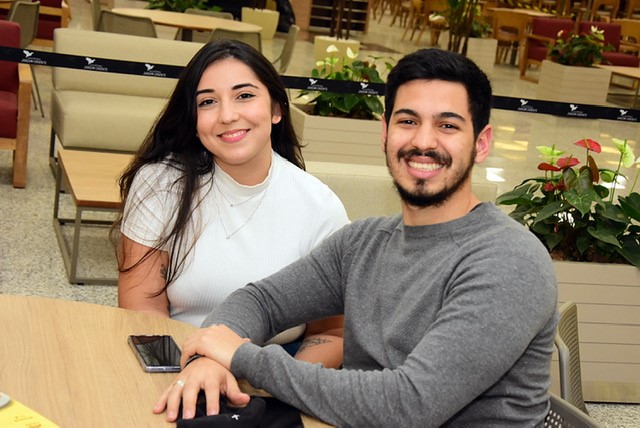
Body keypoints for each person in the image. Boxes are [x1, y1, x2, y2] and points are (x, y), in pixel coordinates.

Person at [154, 48, 558, 425]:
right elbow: (261, 301)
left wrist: (242, 357)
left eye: (447, 126)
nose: (423, 141)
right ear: (385, 133)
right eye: (408, 121)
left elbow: (410, 405)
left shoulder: (509, 260)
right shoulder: (364, 242)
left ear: (481, 144)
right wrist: (208, 360)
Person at [113, 40, 349, 369]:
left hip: (277, 371)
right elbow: (142, 306)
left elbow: (332, 333)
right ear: (193, 119)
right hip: (175, 360)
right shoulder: (160, 184)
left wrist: (278, 384)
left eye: (245, 95)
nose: (227, 115)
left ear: (276, 110)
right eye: (208, 102)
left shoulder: (321, 207)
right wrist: (187, 375)